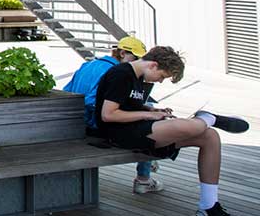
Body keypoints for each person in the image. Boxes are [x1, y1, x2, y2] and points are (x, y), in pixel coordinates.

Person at [96, 46, 249, 216]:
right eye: (162, 76)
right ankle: (209, 118)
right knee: (187, 125)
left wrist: (152, 111)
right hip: (119, 134)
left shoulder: (138, 76)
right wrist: (148, 116)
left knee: (210, 136)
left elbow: (128, 104)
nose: (160, 81)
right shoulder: (121, 74)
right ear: (153, 65)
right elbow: (108, 115)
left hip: (137, 130)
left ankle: (209, 206)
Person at [63, 36, 162, 193]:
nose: (138, 62)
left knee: (147, 111)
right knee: (150, 125)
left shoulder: (88, 64)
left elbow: (68, 91)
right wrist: (142, 111)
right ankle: (144, 178)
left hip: (74, 122)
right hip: (93, 124)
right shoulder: (116, 72)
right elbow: (94, 102)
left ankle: (148, 164)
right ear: (122, 53)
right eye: (135, 57)